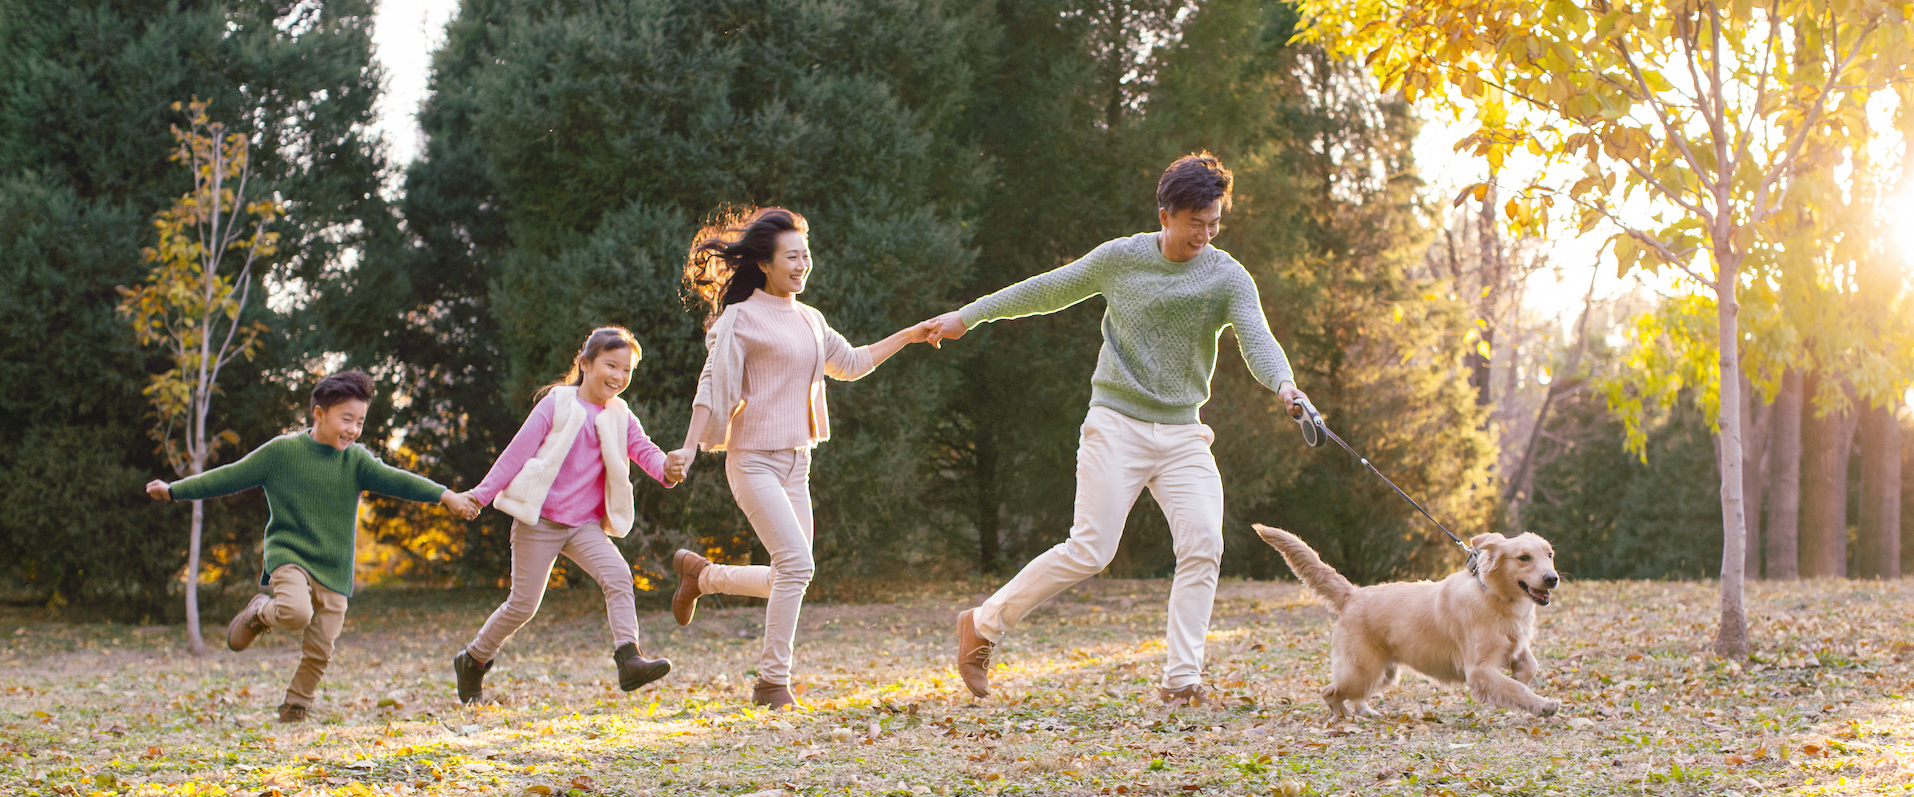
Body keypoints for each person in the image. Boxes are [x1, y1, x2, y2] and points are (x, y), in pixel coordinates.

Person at [923, 152, 1312, 704]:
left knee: (1204, 543)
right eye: (1194, 222)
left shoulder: (1227, 276)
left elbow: (1257, 338)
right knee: (1091, 550)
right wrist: (970, 315)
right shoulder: (1120, 259)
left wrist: (1285, 385)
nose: (1204, 233)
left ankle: (1182, 680)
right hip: (1116, 424)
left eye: (1214, 223)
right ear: (1165, 215)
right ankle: (983, 625)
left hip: (1182, 433)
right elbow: (1046, 290)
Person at [664, 206, 935, 710]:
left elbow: (851, 364)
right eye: (792, 256)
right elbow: (712, 384)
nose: (802, 264)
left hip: (797, 461)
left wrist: (910, 334)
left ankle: (702, 577)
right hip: (752, 460)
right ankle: (772, 683)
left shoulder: (810, 319)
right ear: (764, 263)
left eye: (806, 255)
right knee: (796, 566)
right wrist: (688, 444)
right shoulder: (739, 319)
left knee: (792, 572)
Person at [146, 369, 480, 723]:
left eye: (360, 421)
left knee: (321, 647)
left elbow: (399, 480)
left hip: (334, 568)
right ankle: (260, 611)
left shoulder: (356, 460)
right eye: (346, 418)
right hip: (289, 557)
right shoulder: (282, 452)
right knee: (295, 612)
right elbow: (229, 475)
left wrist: (445, 495)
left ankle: (296, 706)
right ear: (318, 413)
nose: (353, 429)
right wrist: (175, 490)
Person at [451, 326, 678, 704]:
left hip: (584, 525)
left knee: (619, 575)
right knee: (522, 605)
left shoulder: (621, 416)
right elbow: (516, 453)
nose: (619, 377)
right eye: (611, 365)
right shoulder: (557, 403)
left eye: (627, 370)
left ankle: (629, 658)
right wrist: (480, 495)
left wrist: (668, 468)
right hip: (538, 521)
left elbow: (647, 453)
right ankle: (473, 659)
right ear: (585, 363)